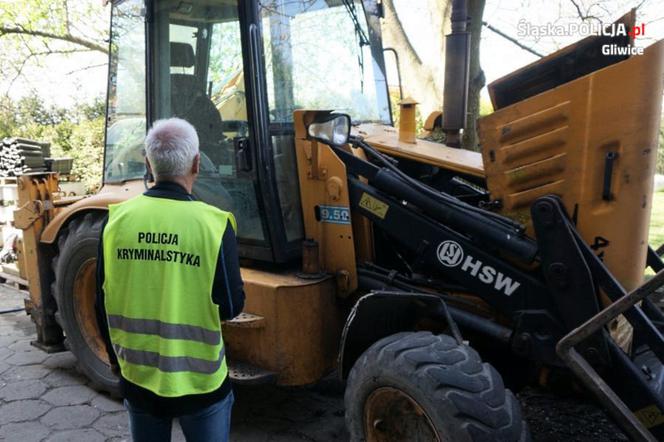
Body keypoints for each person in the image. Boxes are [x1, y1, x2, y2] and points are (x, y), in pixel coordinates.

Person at [95, 117, 244, 442]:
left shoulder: (116, 222)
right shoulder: (215, 225)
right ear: (196, 164)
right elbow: (231, 306)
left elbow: (100, 304)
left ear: (148, 164)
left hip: (138, 379)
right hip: (201, 385)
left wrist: (118, 367)